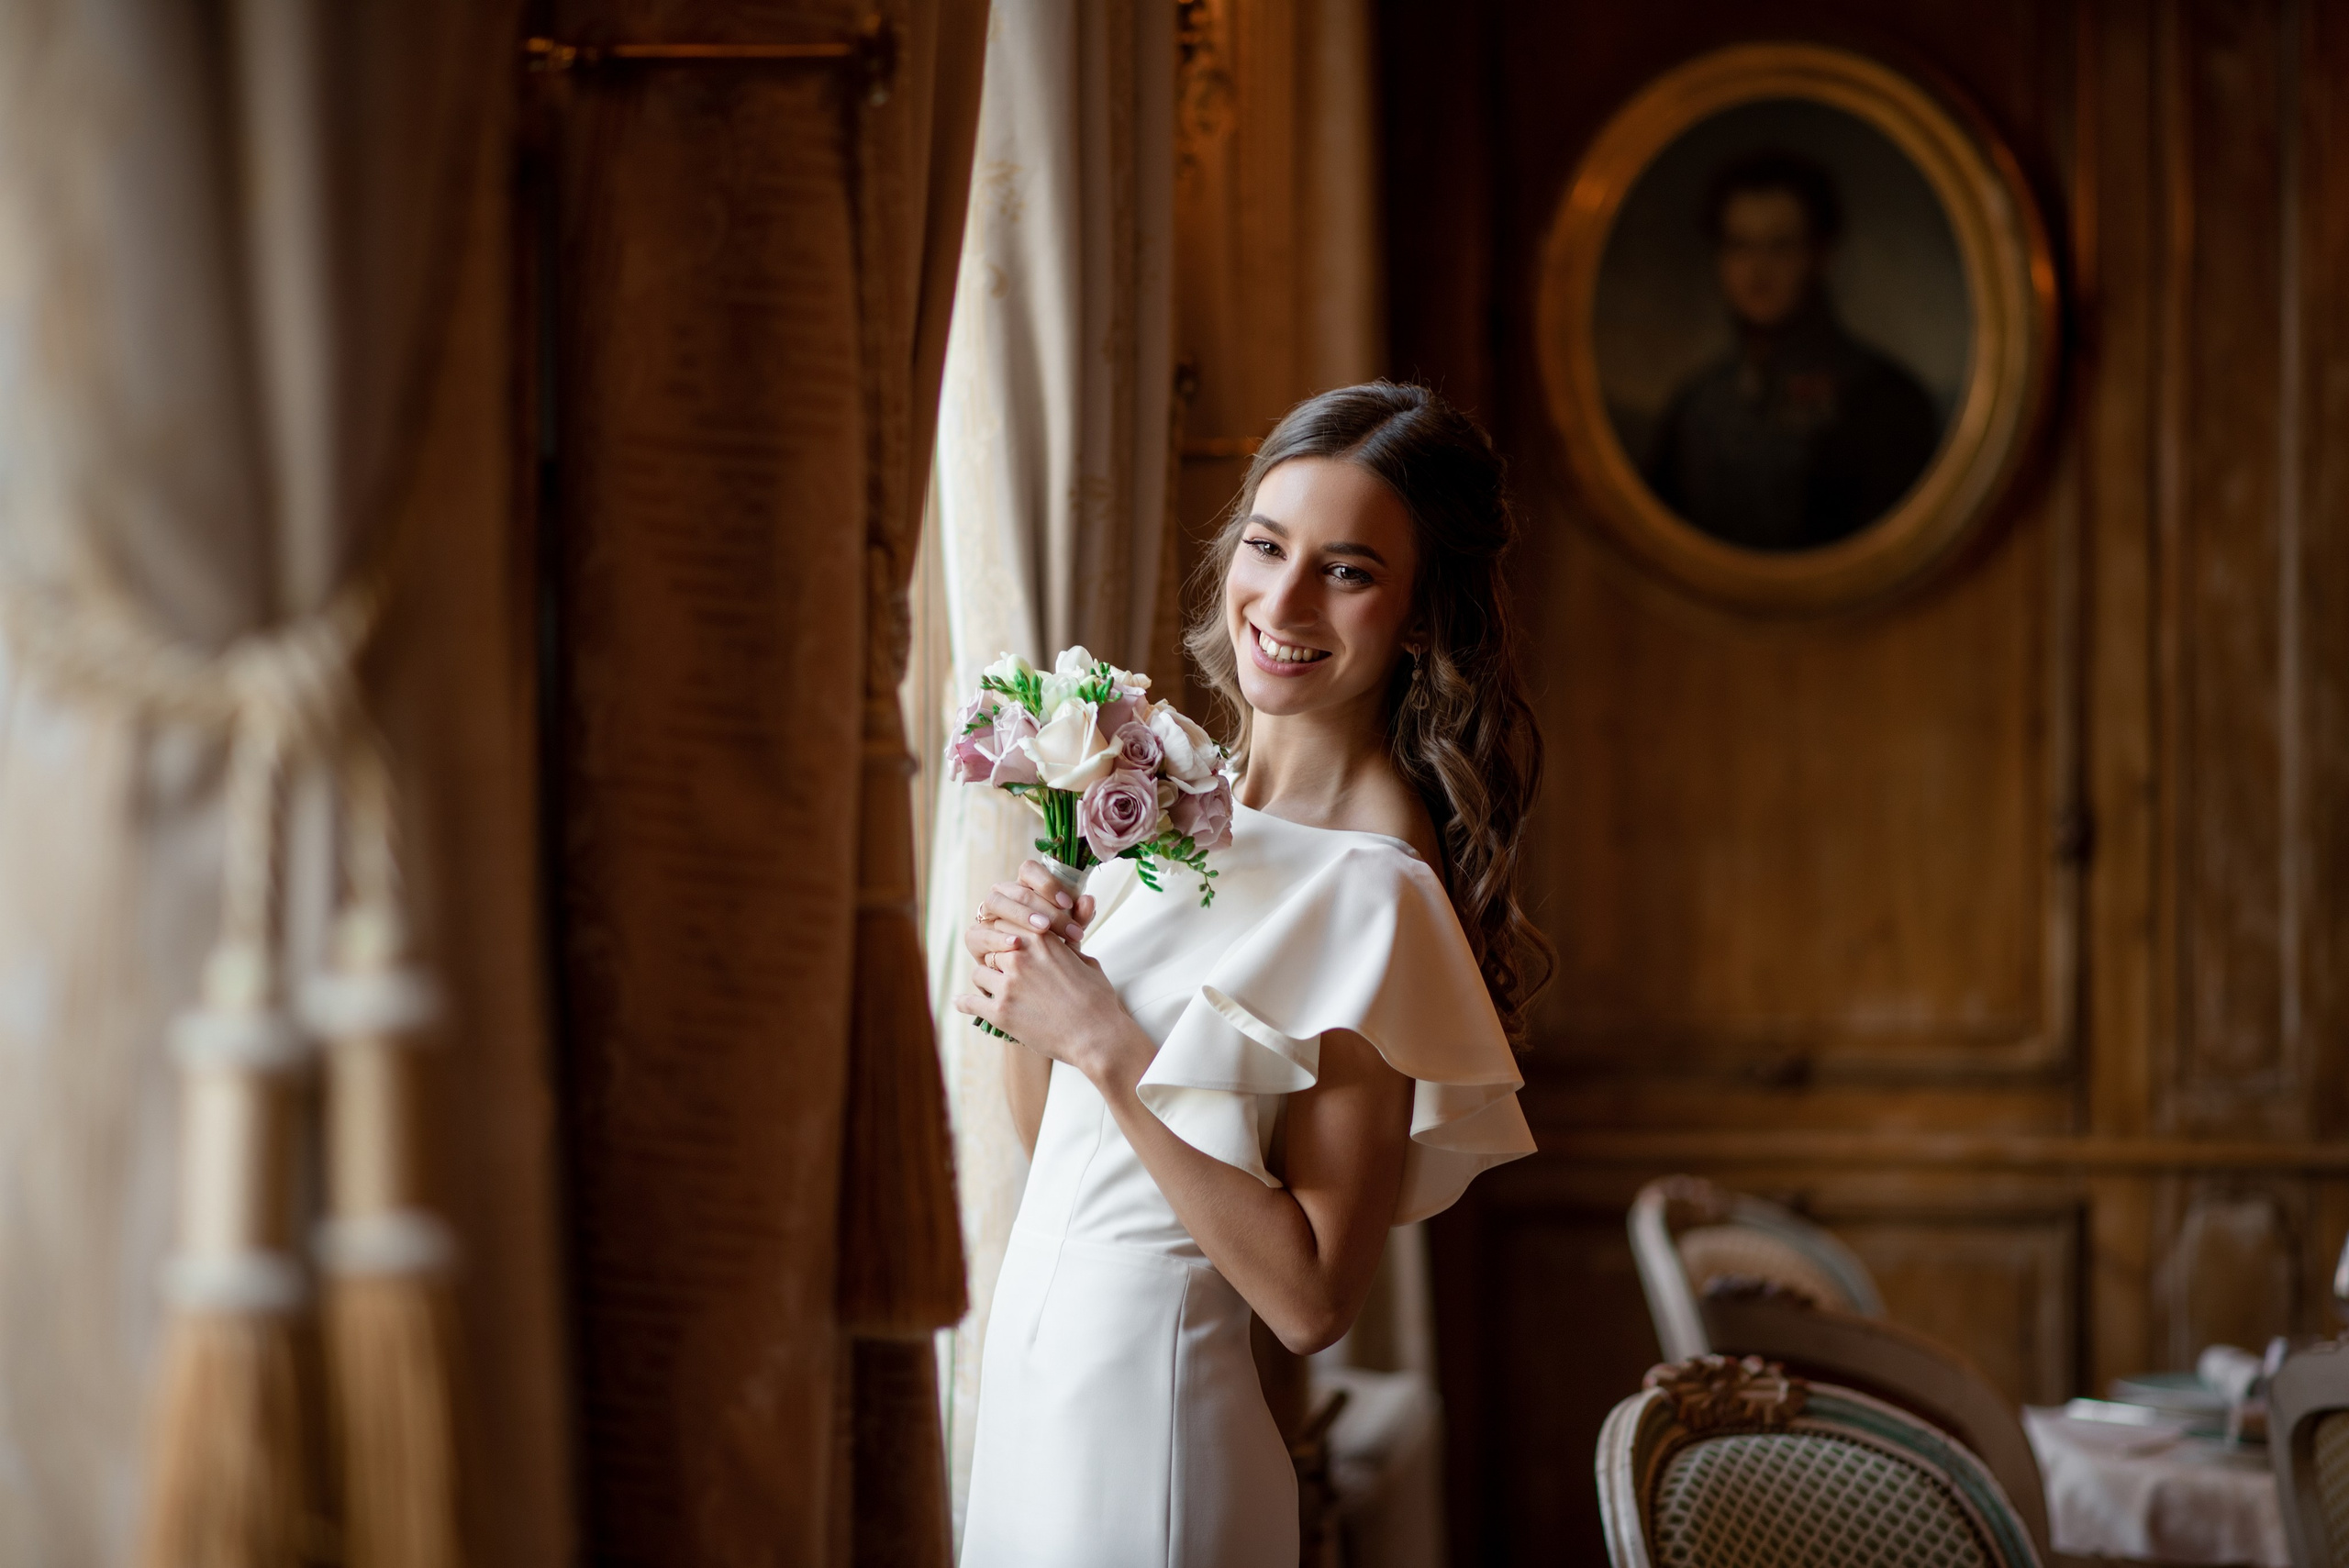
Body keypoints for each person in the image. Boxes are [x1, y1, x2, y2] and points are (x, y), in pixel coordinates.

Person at [953, 382, 1546, 1567]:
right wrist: (1034, 991)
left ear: (1421, 616)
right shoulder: (1171, 809)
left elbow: (1311, 1299)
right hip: (1032, 1405)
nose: (1281, 602)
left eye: (1347, 570)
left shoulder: (1373, 892)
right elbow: (1066, 1147)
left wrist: (1108, 1043)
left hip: (1154, 1441)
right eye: (1268, 547)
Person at [1643, 149, 1942, 550]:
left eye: (1780, 247)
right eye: (1739, 245)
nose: (1757, 270)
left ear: (1820, 255)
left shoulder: (1887, 401)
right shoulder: (1694, 405)